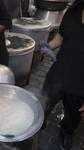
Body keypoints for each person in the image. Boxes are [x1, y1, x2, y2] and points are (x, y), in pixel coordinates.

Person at [39, 0, 84, 149]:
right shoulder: (72, 13)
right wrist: (47, 48)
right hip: (58, 74)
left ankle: (66, 133)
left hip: (79, 84)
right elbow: (61, 37)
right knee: (44, 104)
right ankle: (40, 123)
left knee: (73, 115)